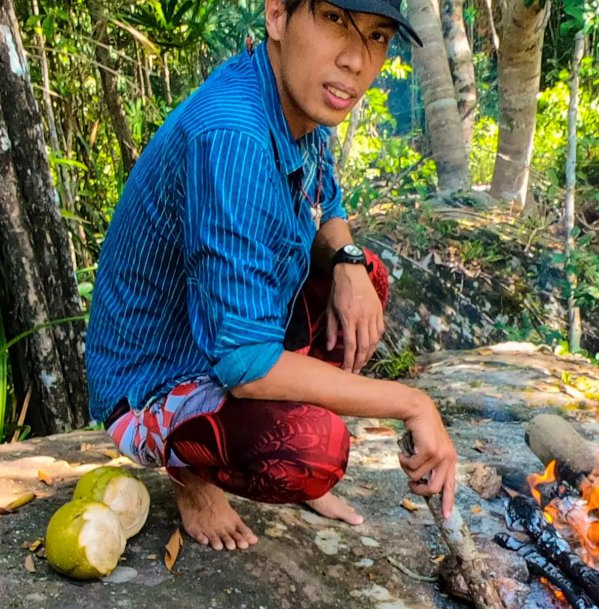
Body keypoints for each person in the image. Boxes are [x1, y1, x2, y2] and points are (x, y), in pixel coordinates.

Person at [85, 0, 456, 551]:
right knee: (308, 451)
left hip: (222, 332)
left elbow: (327, 201)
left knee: (365, 278)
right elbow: (244, 363)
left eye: (377, 36)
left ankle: (267, 418)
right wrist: (413, 403)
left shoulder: (298, 97)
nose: (356, 60)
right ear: (277, 15)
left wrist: (348, 259)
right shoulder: (234, 137)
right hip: (154, 380)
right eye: (335, 20)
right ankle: (190, 471)